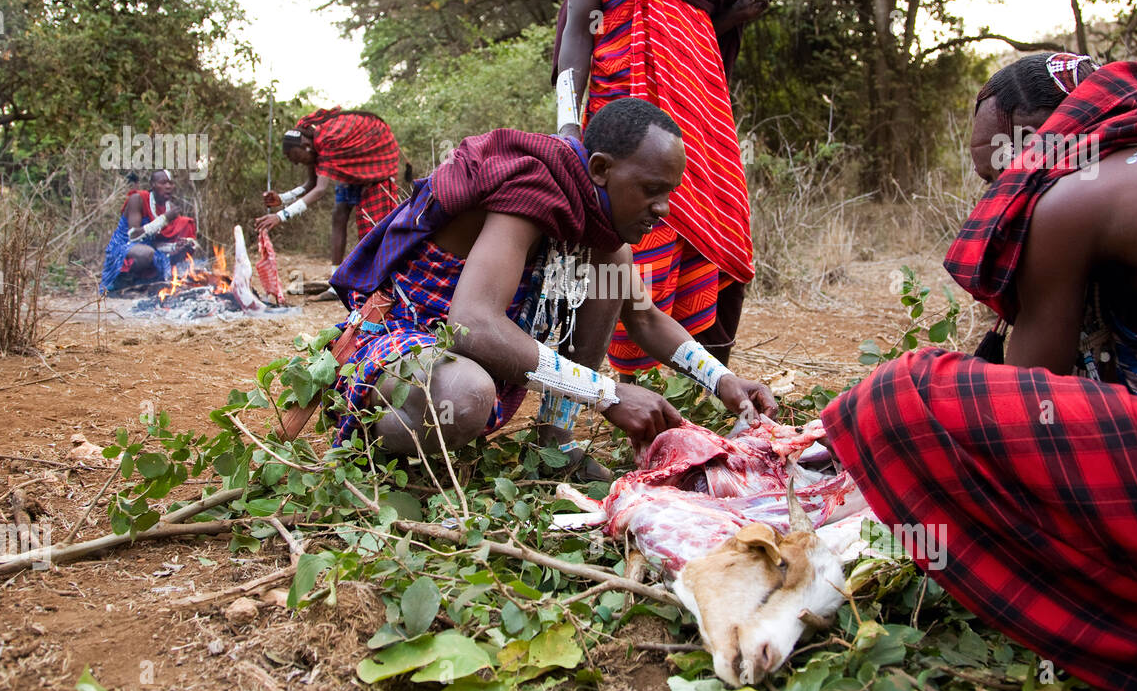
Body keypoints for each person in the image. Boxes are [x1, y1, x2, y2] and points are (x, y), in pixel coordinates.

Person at [820, 53, 1137, 691]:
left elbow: (1021, 412)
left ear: (1039, 143)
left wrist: (865, 447)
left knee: (900, 398)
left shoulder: (1071, 200)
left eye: (996, 174)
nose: (992, 198)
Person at [324, 97, 778, 467]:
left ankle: (553, 445)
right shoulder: (531, 192)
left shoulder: (602, 235)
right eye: (650, 190)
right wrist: (605, 392)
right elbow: (473, 323)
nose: (662, 209)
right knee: (464, 398)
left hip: (473, 355)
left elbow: (644, 320)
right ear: (599, 170)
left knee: (610, 270)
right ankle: (367, 438)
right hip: (405, 342)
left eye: (669, 194)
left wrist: (721, 379)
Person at [552, 0, 781, 376]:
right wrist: (568, 125)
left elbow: (697, 34)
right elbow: (576, 33)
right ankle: (616, 386)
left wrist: (737, 13)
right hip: (632, 125)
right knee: (632, 251)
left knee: (717, 241)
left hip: (701, 131)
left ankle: (705, 388)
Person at [257, 108, 409, 291]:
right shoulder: (315, 148)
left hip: (375, 163)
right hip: (352, 167)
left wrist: (281, 216)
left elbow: (320, 190)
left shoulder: (327, 141)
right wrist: (282, 198)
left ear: (305, 146)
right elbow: (311, 183)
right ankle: (336, 282)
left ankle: (382, 281)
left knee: (373, 226)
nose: (296, 162)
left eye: (295, 156)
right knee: (339, 213)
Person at [98, 169, 198, 294]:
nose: (168, 187)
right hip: (124, 246)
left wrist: (174, 247)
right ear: (153, 185)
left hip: (151, 248)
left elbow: (157, 241)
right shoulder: (137, 199)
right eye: (163, 183)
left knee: (183, 245)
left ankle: (143, 283)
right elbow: (133, 235)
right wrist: (164, 219)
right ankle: (123, 280)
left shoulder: (170, 207)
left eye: (170, 183)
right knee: (147, 253)